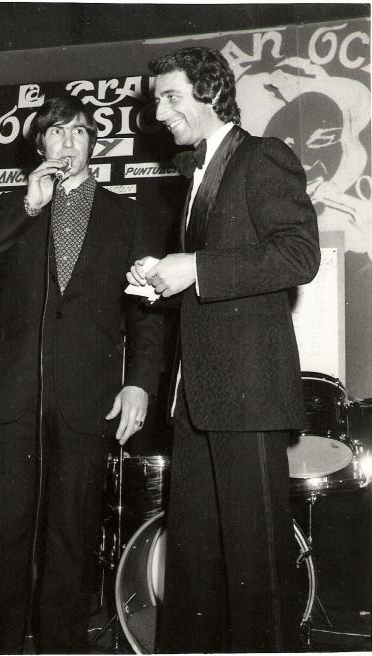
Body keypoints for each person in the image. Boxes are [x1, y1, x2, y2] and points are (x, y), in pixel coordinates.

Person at [127, 47, 321, 653]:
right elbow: (207, 280)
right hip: (197, 401)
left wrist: (196, 267)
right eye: (157, 100)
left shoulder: (263, 156)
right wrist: (161, 281)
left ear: (210, 92)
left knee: (256, 573)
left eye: (171, 97)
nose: (160, 113)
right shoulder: (193, 175)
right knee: (192, 571)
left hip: (248, 395)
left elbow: (300, 256)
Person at [0, 95, 162, 654]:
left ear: (94, 143)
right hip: (11, 397)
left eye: (78, 132)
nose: (67, 143)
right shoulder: (17, 204)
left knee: (72, 536)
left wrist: (139, 382)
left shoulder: (126, 214)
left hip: (87, 396)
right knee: (3, 536)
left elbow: (148, 311)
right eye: (56, 133)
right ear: (40, 145)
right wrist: (28, 204)